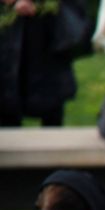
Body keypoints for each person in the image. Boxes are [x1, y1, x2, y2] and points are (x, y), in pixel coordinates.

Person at [0, 0, 88, 128]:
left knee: (51, 99)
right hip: (9, 34)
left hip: (47, 34)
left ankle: (53, 134)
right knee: (8, 98)